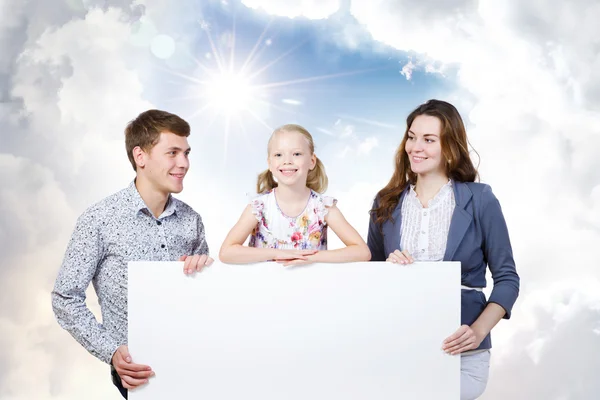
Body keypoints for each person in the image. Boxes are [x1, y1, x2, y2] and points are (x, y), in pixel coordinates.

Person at [51, 109, 213, 399]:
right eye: (172, 152)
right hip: (140, 372)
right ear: (141, 157)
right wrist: (112, 352)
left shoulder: (192, 220)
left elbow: (207, 298)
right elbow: (65, 297)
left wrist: (205, 269)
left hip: (197, 363)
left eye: (187, 153)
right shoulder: (99, 219)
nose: (184, 163)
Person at [367, 100, 519, 399]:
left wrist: (478, 331)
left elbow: (507, 279)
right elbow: (369, 276)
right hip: (398, 347)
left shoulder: (480, 199)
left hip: (461, 356)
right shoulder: (385, 202)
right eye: (411, 137)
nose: (415, 147)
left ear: (450, 146)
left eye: (429, 139)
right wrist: (387, 269)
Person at [219, 124, 370, 265]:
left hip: (310, 291)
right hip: (265, 290)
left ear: (311, 161)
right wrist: (278, 254)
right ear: (269, 163)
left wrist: (310, 257)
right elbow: (226, 252)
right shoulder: (259, 207)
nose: (287, 161)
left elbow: (362, 252)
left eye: (296, 154)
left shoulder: (323, 207)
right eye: (278, 155)